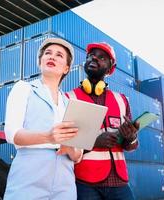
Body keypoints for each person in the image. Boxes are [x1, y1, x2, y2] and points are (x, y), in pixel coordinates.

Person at [3, 38, 82, 200]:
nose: (52, 57)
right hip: (29, 177)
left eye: (59, 55)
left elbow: (78, 155)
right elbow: (11, 134)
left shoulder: (71, 105)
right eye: (48, 53)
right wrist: (48, 136)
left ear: (67, 68)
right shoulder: (23, 88)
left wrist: (70, 149)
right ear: (40, 62)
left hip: (65, 182)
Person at [66, 42, 139, 200]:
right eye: (91, 56)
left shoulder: (122, 100)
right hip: (85, 182)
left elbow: (131, 146)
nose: (94, 58)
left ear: (110, 68)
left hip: (119, 182)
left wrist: (131, 137)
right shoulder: (68, 98)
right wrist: (94, 142)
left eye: (102, 57)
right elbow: (62, 144)